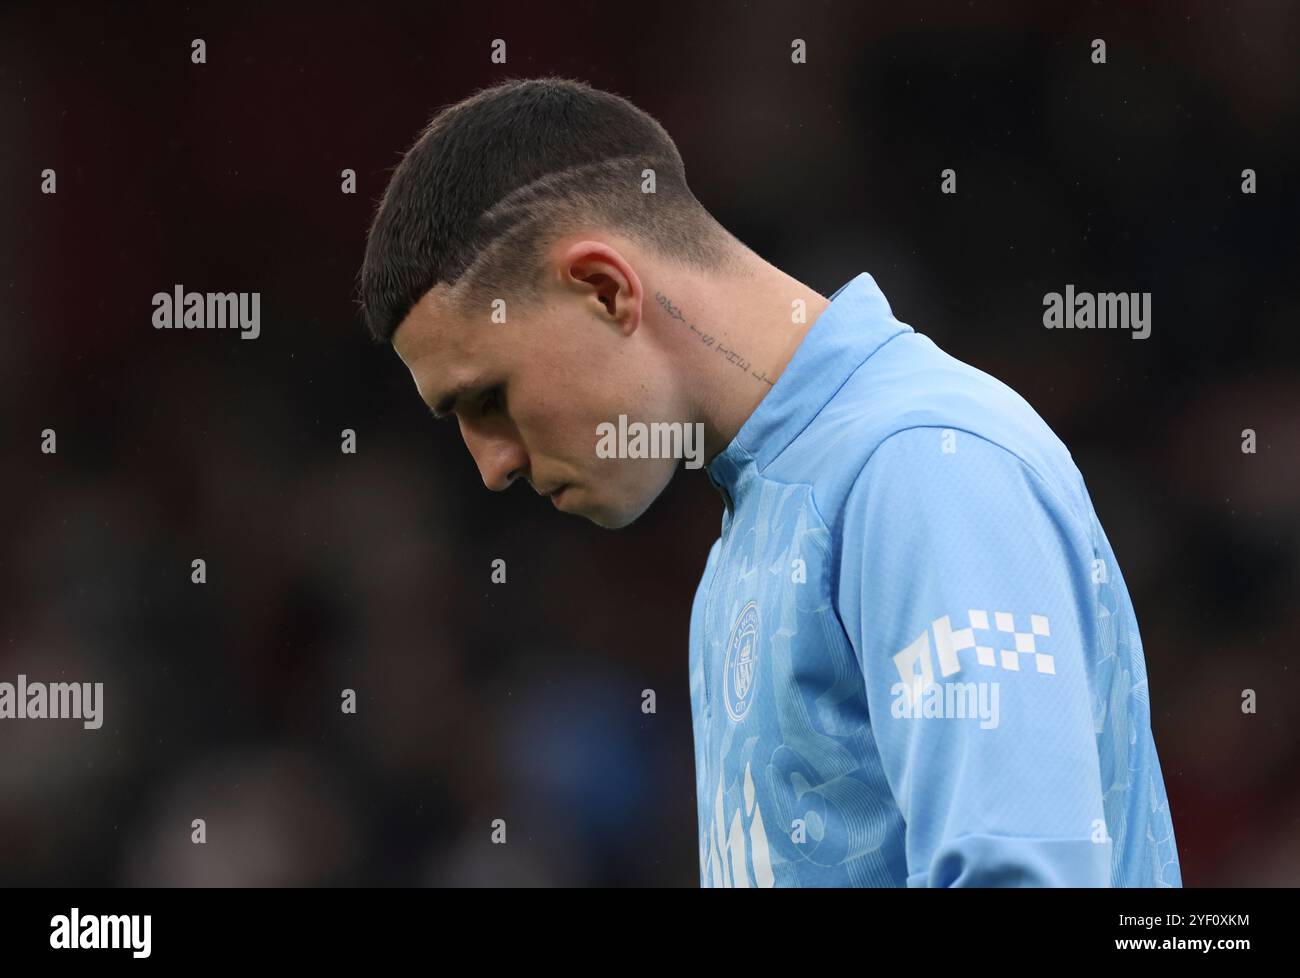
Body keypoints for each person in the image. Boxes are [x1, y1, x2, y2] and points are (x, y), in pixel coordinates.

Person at [357, 75, 1182, 887]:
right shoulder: (763, 521)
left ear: (606, 290)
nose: (490, 464)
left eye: (487, 398)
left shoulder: (924, 465)